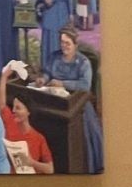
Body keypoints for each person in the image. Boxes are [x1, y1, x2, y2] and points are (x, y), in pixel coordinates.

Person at [37, 28, 104, 173]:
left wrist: (63, 83)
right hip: (55, 99)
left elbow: (85, 86)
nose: (64, 46)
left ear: (75, 45)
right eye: (62, 42)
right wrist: (43, 79)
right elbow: (48, 72)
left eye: (67, 43)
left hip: (77, 102)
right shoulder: (54, 57)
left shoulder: (83, 62)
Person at [0, 64, 54, 173]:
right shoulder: (11, 122)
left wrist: (31, 162)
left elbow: (50, 169)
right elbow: (2, 105)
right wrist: (4, 77)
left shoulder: (38, 138)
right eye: (13, 107)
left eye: (18, 108)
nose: (13, 110)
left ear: (28, 112)